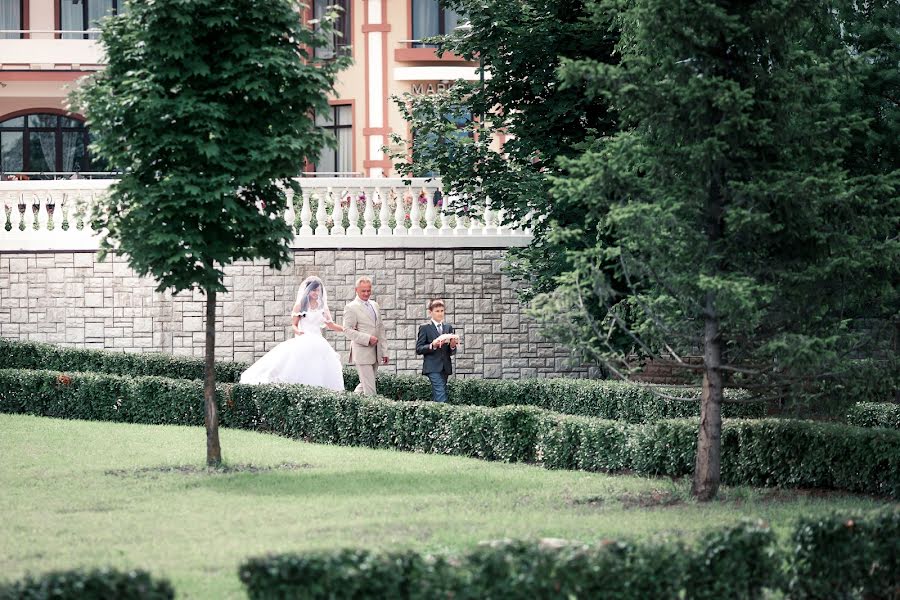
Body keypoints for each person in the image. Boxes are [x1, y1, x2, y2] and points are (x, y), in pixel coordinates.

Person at [239, 276, 345, 389]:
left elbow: (331, 325)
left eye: (318, 290)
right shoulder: (300, 306)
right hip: (304, 338)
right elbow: (294, 325)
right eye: (313, 290)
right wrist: (298, 331)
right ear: (308, 290)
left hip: (319, 341)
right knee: (297, 366)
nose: (316, 292)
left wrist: (345, 329)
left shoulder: (323, 307)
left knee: (319, 367)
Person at [342, 276, 388, 395]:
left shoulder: (375, 305)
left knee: (365, 385)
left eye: (368, 290)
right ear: (356, 290)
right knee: (370, 390)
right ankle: (372, 411)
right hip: (362, 352)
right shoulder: (351, 307)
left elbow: (380, 329)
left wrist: (384, 351)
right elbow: (347, 330)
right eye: (363, 291)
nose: (366, 293)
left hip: (376, 352)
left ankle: (349, 404)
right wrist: (367, 339)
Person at [415, 299, 459, 403]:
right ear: (430, 312)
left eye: (442, 311)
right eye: (437, 311)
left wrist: (452, 346)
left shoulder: (448, 328)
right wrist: (432, 345)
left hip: (445, 366)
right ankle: (446, 416)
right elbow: (419, 349)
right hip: (432, 367)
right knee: (441, 393)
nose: (440, 313)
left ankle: (435, 416)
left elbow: (451, 351)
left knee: (439, 393)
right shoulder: (425, 328)